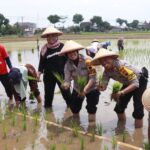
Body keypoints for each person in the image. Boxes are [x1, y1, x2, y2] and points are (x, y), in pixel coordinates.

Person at [91, 48, 148, 128]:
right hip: (127, 83)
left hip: (139, 80)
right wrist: (99, 86)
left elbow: (135, 84)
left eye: (106, 59)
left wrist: (121, 92)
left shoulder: (120, 66)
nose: (104, 62)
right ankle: (121, 127)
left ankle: (138, 133)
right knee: (119, 108)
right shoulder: (106, 72)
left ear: (111, 57)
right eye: (102, 61)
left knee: (138, 111)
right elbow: (103, 87)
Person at [60, 40, 100, 122]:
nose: (72, 54)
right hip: (77, 88)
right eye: (69, 52)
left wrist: (84, 90)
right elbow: (67, 79)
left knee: (91, 108)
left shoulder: (88, 60)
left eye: (73, 51)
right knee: (74, 108)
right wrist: (65, 85)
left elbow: (93, 78)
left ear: (77, 51)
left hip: (92, 87)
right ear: (67, 55)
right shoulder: (67, 65)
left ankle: (91, 128)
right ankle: (76, 124)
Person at [37, 27, 71, 109]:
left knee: (67, 94)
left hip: (62, 75)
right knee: (48, 96)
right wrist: (38, 74)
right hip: (48, 76)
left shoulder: (63, 47)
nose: (51, 38)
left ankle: (72, 111)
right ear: (46, 38)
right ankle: (48, 114)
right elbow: (41, 63)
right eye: (48, 36)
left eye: (53, 36)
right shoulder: (44, 49)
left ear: (57, 36)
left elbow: (70, 61)